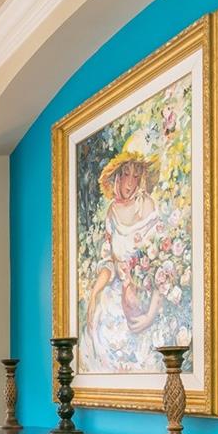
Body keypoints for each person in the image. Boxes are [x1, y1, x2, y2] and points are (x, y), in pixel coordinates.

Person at [80, 135, 164, 372]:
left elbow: (160, 266)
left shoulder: (147, 206)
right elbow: (108, 259)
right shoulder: (112, 212)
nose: (130, 182)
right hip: (119, 291)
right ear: (117, 176)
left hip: (145, 294)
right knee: (97, 323)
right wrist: (95, 291)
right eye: (126, 174)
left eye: (136, 175)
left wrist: (149, 314)